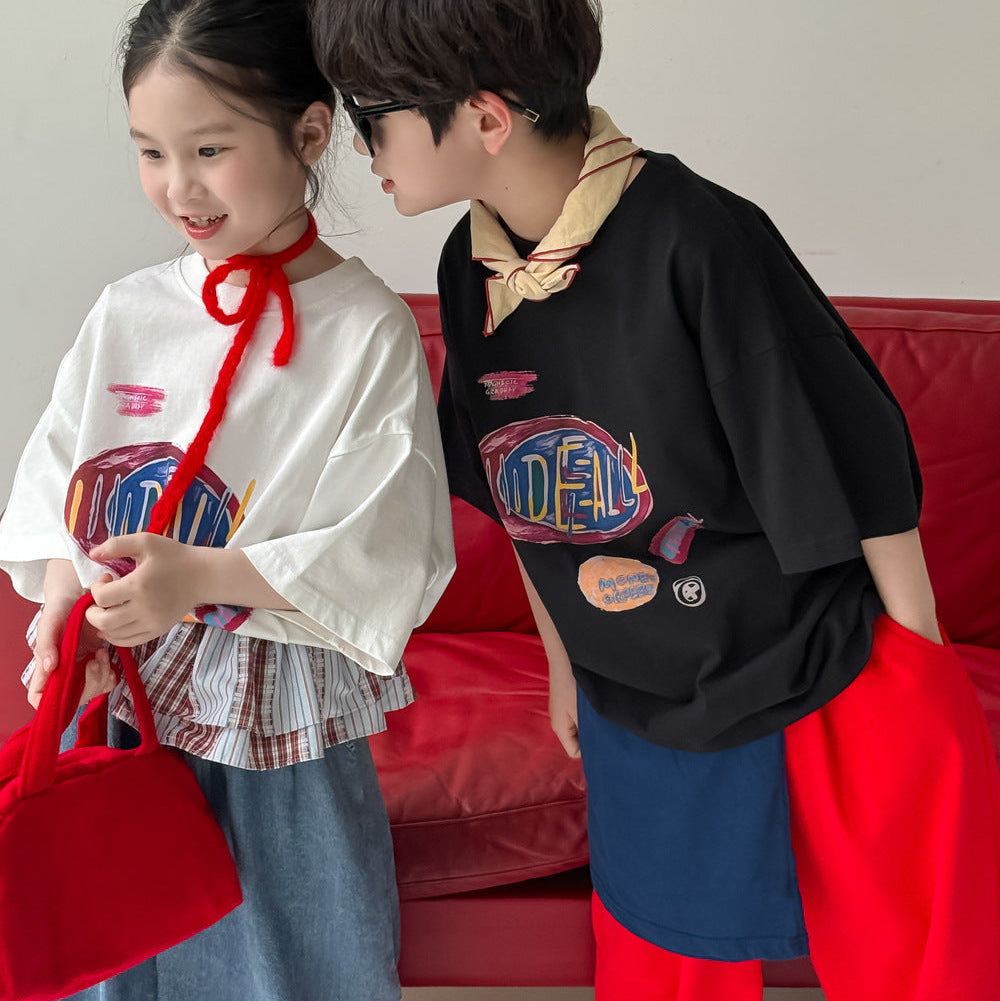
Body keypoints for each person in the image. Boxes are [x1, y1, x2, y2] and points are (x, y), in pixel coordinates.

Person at [311, 2, 1000, 999]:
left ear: (485, 117)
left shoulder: (701, 236)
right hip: (630, 691)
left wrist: (920, 661)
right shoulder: (473, 266)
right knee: (658, 958)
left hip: (809, 661)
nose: (360, 147)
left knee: (913, 955)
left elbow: (852, 453)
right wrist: (564, 664)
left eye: (373, 117)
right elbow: (520, 499)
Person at [0, 0, 455, 998]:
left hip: (280, 727)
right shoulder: (129, 311)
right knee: (121, 949)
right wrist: (67, 606)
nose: (179, 186)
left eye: (210, 149)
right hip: (127, 699)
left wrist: (198, 577)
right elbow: (58, 481)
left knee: (292, 963)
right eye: (150, 152)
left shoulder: (366, 328)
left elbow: (386, 542)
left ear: (309, 132)